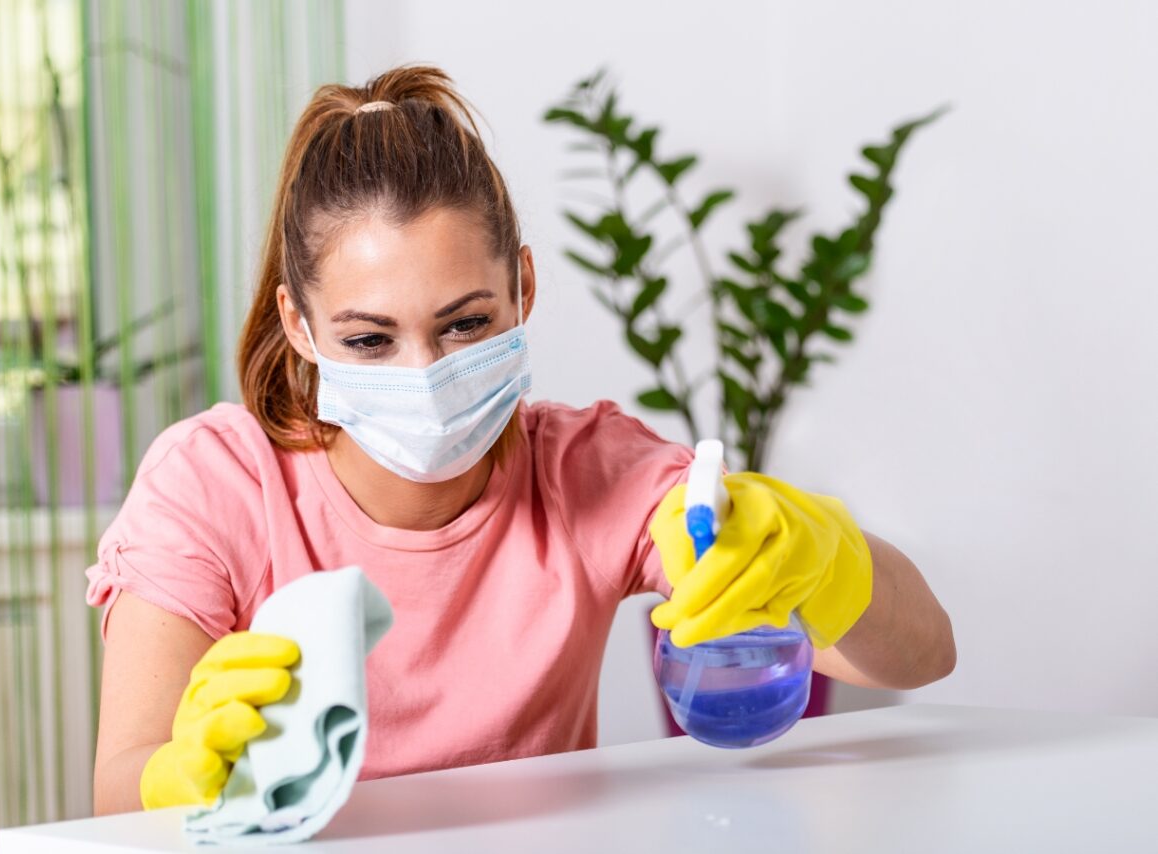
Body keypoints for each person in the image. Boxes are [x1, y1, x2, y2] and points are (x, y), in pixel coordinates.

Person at [87, 65, 955, 815]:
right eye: (369, 339)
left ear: (523, 289)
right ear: (298, 324)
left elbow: (921, 656)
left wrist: (826, 555)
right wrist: (180, 776)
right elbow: (117, 790)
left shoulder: (590, 473)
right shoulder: (212, 486)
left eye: (465, 324)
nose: (425, 373)